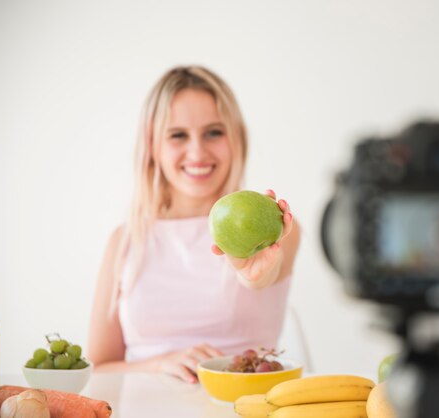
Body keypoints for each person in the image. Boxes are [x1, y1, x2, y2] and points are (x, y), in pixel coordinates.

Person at [87, 65, 300, 383]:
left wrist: (248, 271)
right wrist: (160, 363)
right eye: (178, 135)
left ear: (236, 138)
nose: (197, 151)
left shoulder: (276, 225)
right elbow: (99, 367)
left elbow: (261, 277)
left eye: (214, 132)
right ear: (152, 147)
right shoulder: (125, 241)